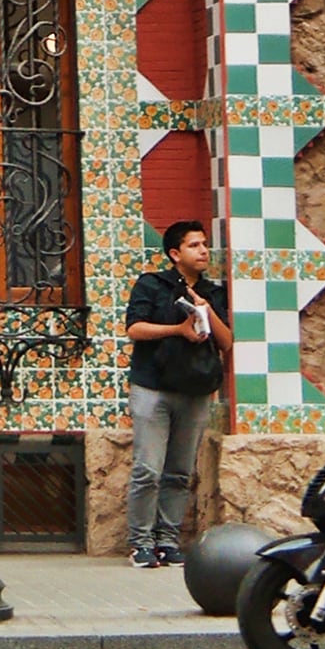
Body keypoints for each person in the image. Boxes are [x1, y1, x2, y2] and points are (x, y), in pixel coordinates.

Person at [125, 217, 233, 566]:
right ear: (175, 253)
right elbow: (135, 329)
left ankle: (168, 541)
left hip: (195, 391)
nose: (203, 251)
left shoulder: (213, 291)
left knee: (179, 472)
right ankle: (140, 543)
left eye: (204, 245)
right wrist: (178, 329)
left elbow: (227, 341)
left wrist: (205, 309)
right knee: (148, 469)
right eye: (194, 245)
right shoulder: (152, 285)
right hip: (152, 388)